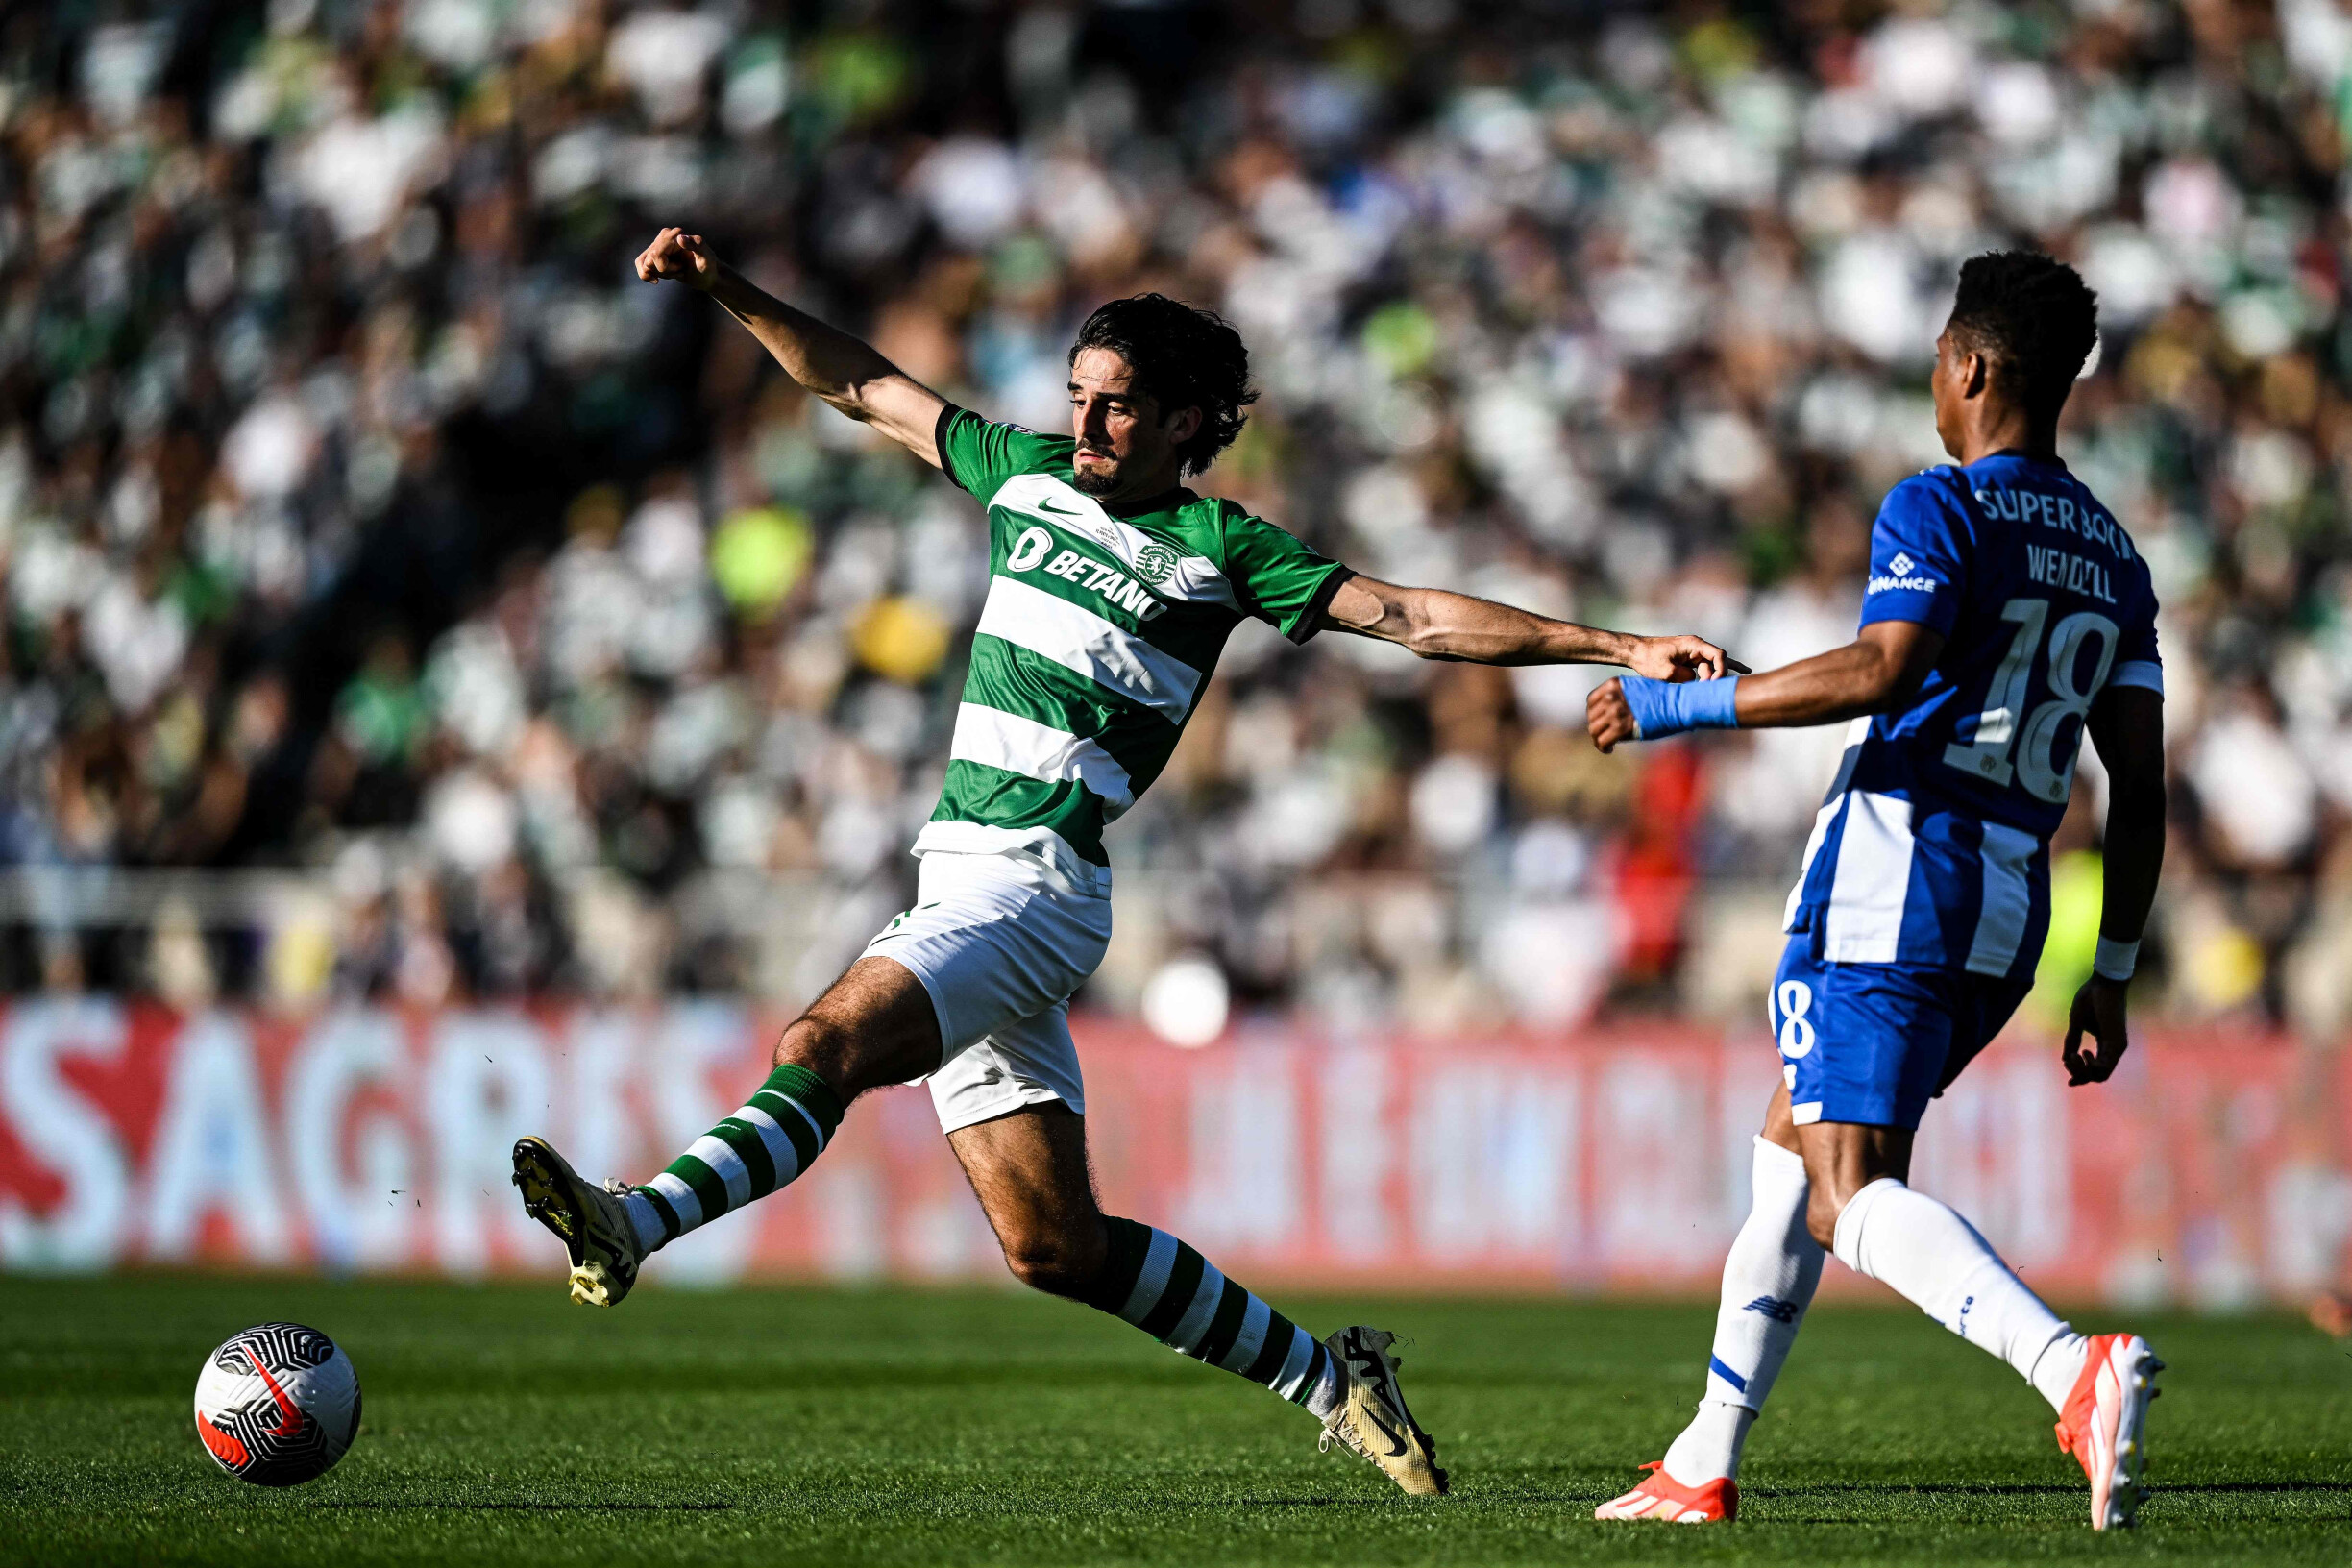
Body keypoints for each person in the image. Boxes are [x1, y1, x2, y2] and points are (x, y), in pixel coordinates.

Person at [511, 226, 1740, 1498]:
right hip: (961, 889)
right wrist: (728, 289)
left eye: (1117, 407)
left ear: (1186, 421)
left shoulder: (1222, 547)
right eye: (1080, 399)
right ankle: (1335, 1380)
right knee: (1055, 1247)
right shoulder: (1023, 475)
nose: (1088, 426)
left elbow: (1418, 619)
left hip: (1030, 890)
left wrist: (1616, 642)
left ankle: (636, 1220)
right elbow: (862, 383)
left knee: (820, 1047)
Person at [1586, 252, 2166, 1531]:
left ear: (1967, 366)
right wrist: (2110, 973)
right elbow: (2141, 785)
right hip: (2009, 902)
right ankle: (1703, 1455)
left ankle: (2073, 1371)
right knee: (1790, 1164)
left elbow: (1880, 669)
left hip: (1897, 871)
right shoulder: (2116, 558)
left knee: (1847, 1190)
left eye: (1934, 359)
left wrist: (1681, 702)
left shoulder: (1940, 503)